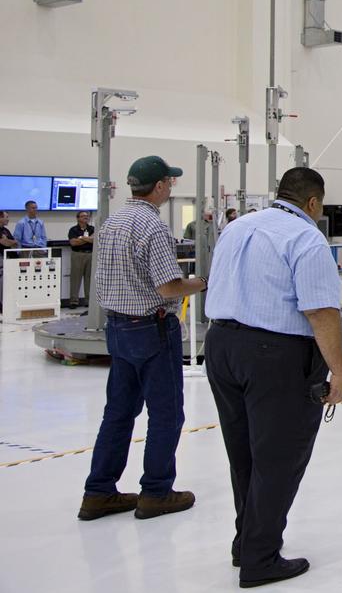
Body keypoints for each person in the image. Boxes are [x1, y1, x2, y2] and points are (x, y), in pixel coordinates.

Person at [204, 167, 342, 588]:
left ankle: (245, 543)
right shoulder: (306, 239)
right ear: (313, 203)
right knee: (278, 458)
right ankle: (261, 559)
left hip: (221, 346)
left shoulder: (238, 227)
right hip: (274, 355)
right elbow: (321, 312)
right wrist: (338, 370)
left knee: (244, 452)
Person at [79, 156, 207, 523]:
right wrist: (199, 283)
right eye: (171, 181)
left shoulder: (112, 222)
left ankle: (98, 492)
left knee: (118, 413)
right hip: (152, 328)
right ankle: (156, 492)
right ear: (161, 186)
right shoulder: (152, 227)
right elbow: (168, 285)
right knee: (166, 414)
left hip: (118, 329)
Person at [67, 210, 96, 306]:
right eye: (83, 216)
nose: (86, 217)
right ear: (78, 218)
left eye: (87, 216)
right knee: (75, 278)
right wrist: (88, 239)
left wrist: (81, 238)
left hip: (90, 254)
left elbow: (95, 240)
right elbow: (73, 242)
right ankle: (74, 301)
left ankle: (89, 301)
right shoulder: (73, 230)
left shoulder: (92, 228)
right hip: (77, 254)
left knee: (90, 279)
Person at [0, 211, 16, 313]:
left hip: (7, 259)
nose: (8, 219)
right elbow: (4, 242)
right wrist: (7, 242)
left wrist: (8, 241)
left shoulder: (6, 231)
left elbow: (14, 243)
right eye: (6, 217)